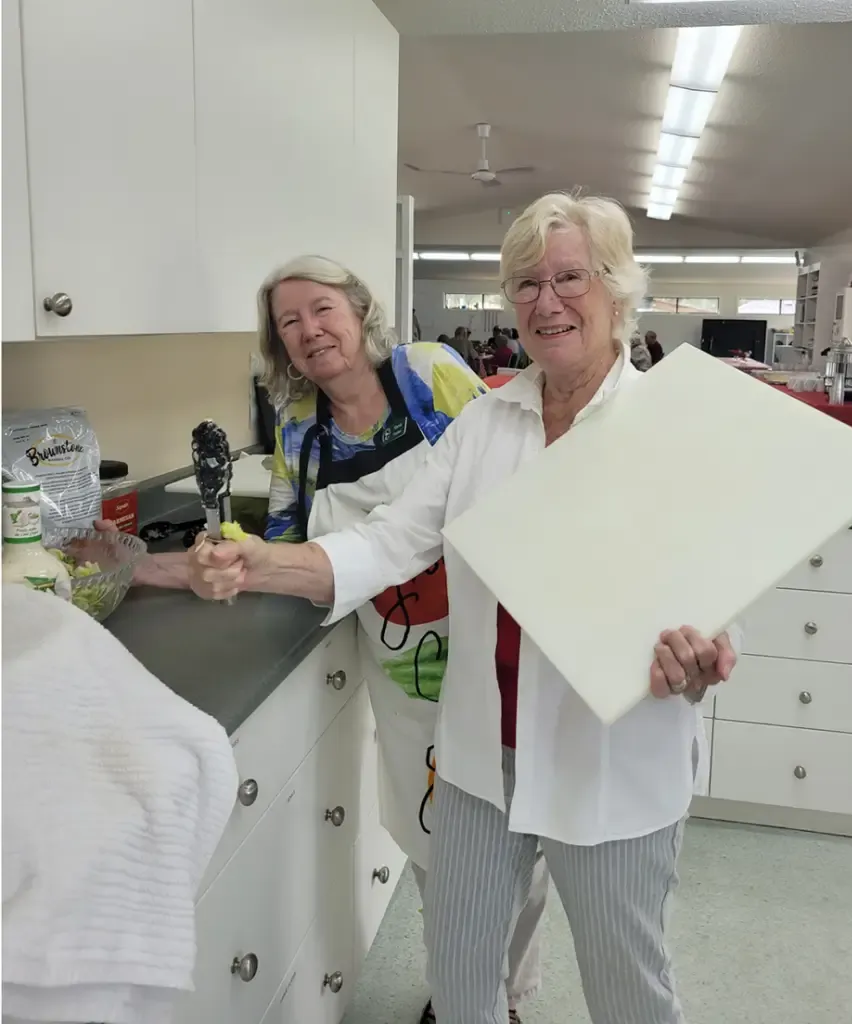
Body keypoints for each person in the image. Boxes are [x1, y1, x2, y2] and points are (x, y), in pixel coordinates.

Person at [187, 193, 741, 1024]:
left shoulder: (669, 430)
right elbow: (388, 540)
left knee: (628, 987)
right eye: (524, 283)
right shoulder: (487, 424)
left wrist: (704, 655)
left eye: (568, 278)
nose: (544, 302)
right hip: (483, 758)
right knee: (458, 977)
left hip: (611, 761)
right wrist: (268, 558)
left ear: (616, 289)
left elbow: (717, 594)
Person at [102, 255, 547, 1024]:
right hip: (404, 684)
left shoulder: (428, 376)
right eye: (288, 322)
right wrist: (162, 568)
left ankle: (504, 997)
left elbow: (513, 479)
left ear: (359, 311)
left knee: (522, 848)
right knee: (435, 847)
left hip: (495, 662)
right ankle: (459, 996)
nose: (309, 331)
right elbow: (276, 544)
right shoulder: (298, 437)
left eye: (321, 310)